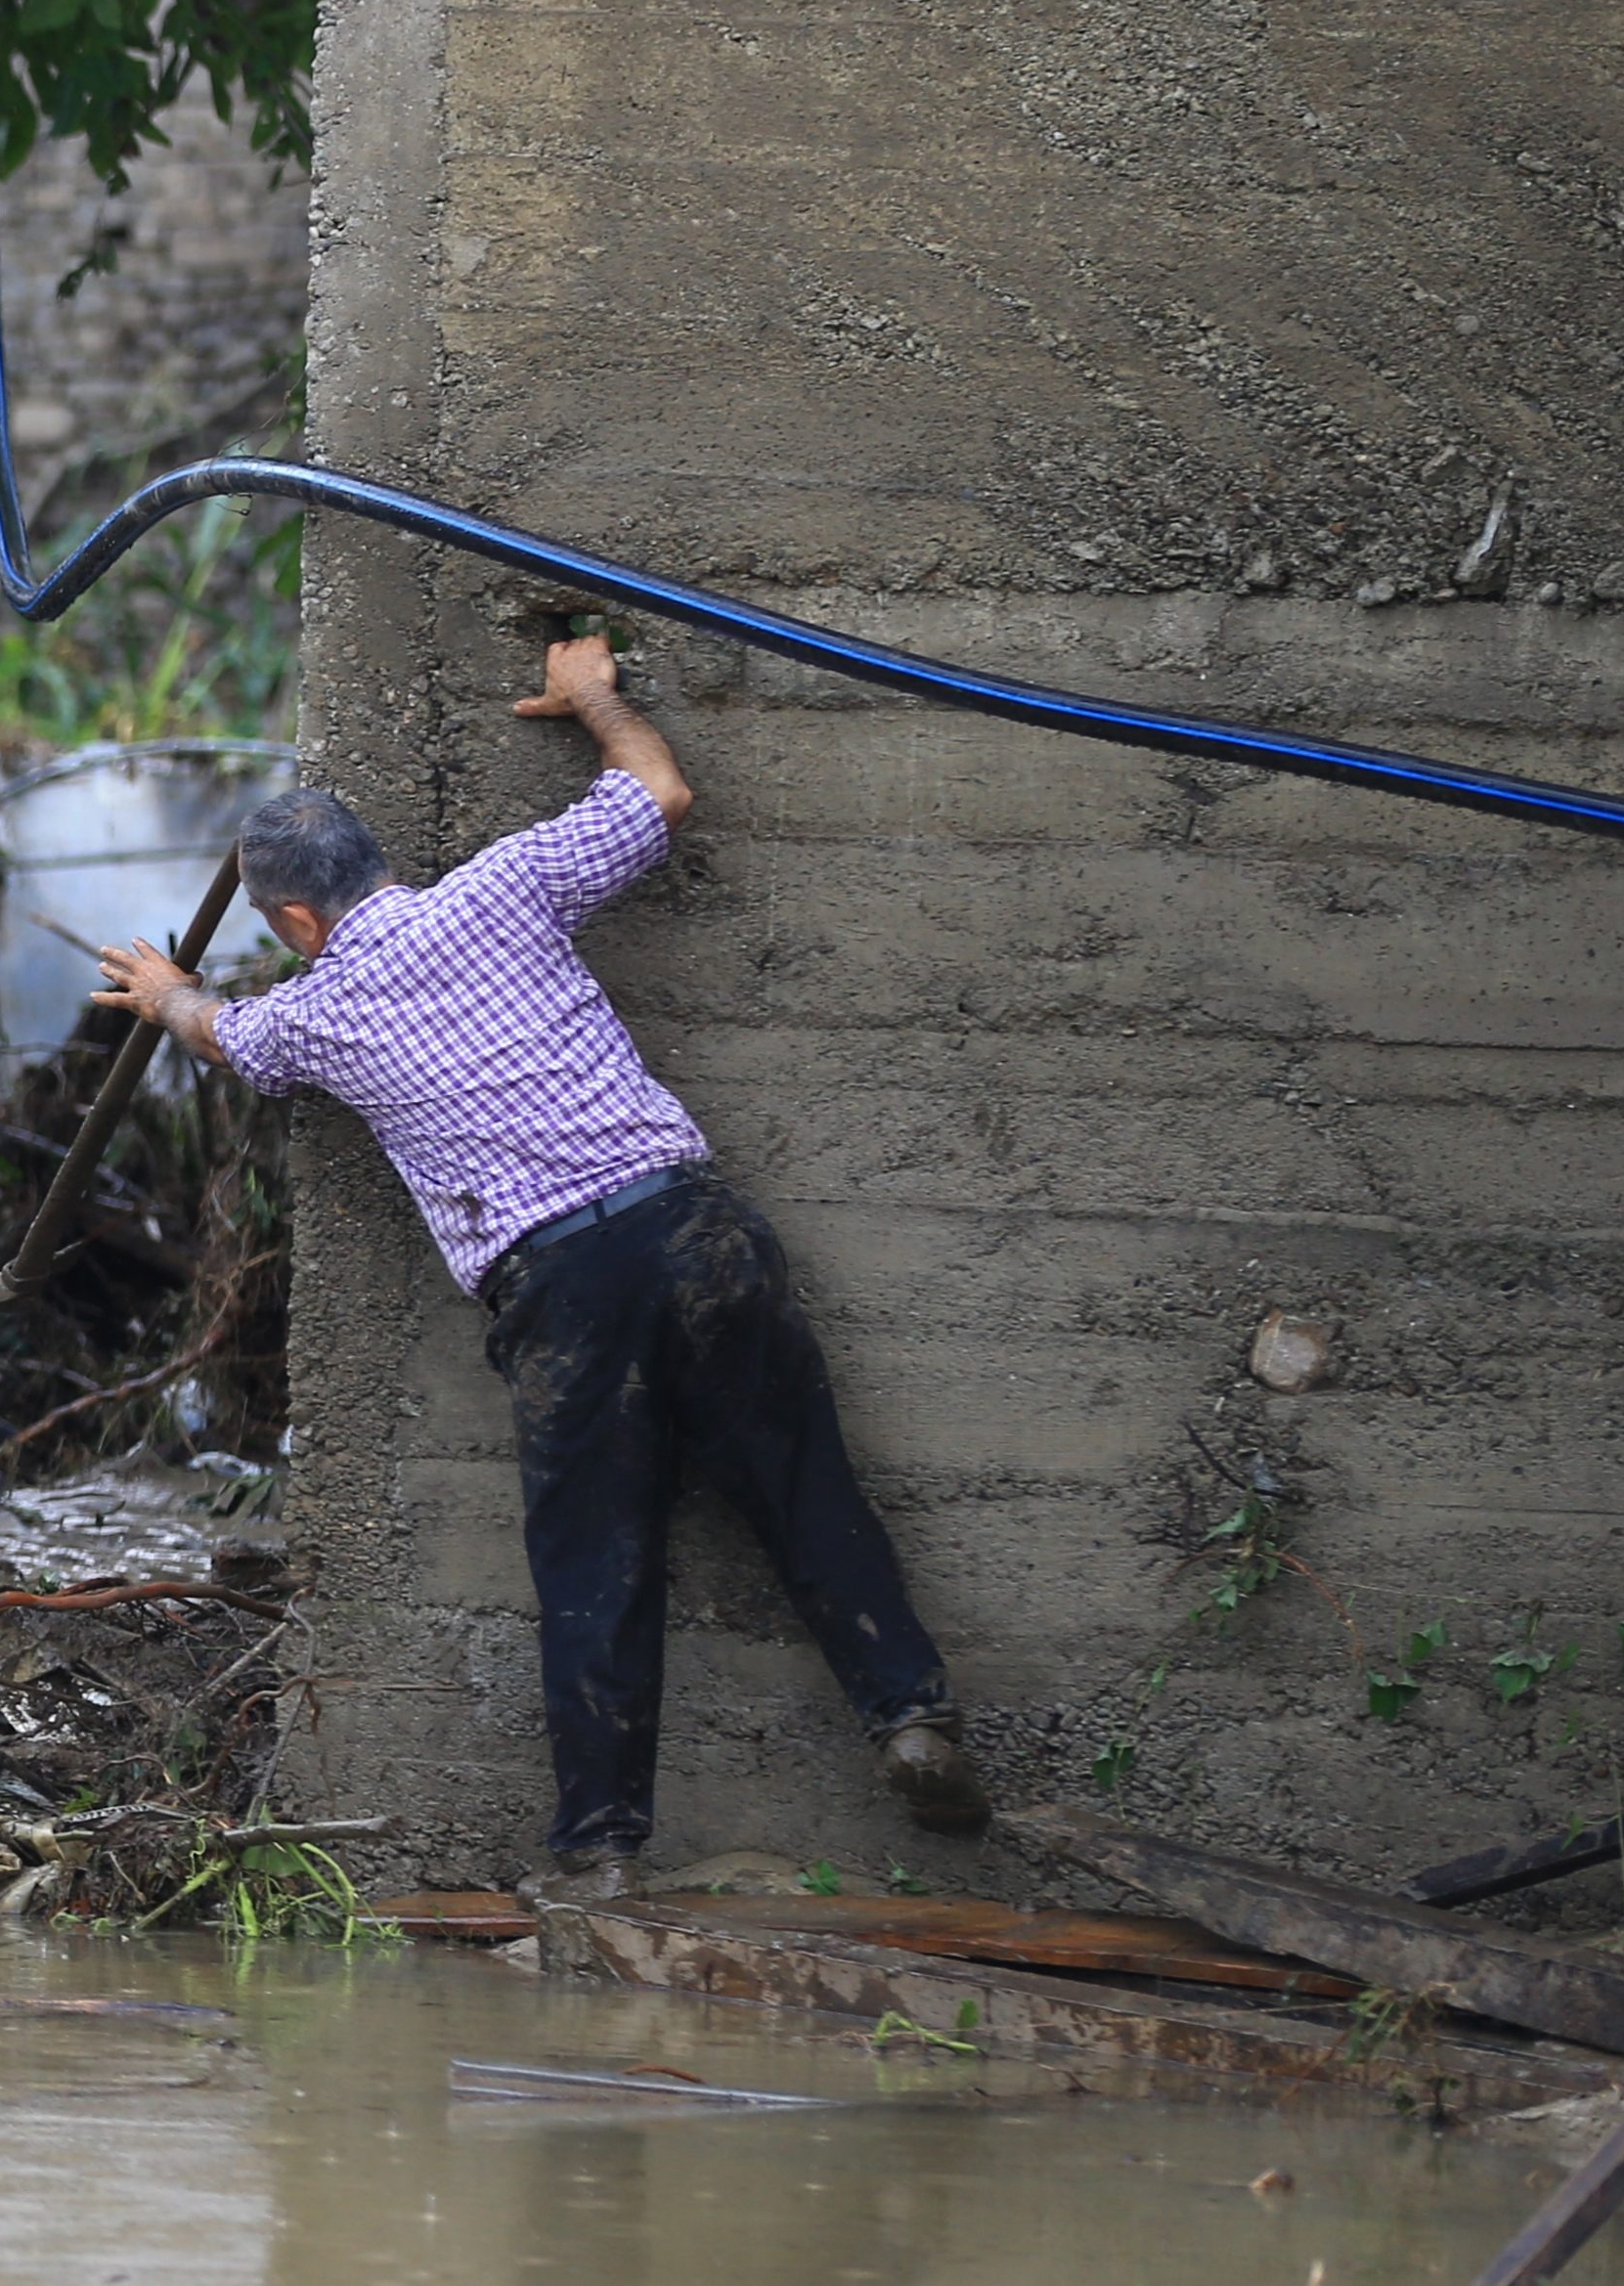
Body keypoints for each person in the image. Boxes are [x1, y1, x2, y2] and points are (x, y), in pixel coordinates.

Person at [91, 635, 988, 1898]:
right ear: (373, 865)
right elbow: (658, 796)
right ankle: (908, 1715)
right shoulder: (502, 884)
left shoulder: (313, 1012)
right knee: (800, 1483)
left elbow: (218, 1032)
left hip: (567, 1286)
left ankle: (600, 1853)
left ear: (295, 920)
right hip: (695, 1226)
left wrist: (163, 987)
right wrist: (591, 701)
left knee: (595, 1562)